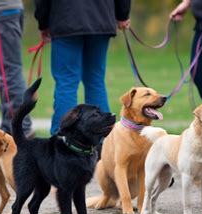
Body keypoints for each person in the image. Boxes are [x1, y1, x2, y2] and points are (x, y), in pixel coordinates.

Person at [35, 0, 131, 135]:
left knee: (67, 82)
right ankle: (104, 139)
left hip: (65, 18)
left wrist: (43, 22)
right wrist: (122, 15)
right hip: (101, 17)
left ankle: (62, 138)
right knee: (95, 81)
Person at [0, 0, 34, 137]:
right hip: (7, 10)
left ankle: (20, 128)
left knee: (7, 74)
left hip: (1, 11)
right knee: (7, 72)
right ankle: (13, 126)